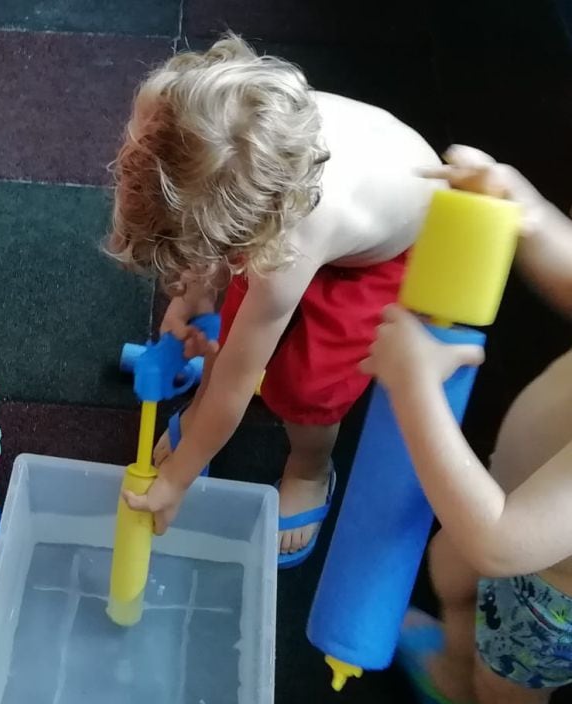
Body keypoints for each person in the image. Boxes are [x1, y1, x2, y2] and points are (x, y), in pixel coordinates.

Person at [109, 34, 443, 566]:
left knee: (309, 383)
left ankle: (310, 469)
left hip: (386, 254)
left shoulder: (292, 239)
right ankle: (200, 420)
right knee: (230, 325)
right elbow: (209, 213)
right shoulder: (243, 123)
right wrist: (196, 293)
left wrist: (176, 478)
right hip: (311, 204)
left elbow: (239, 380)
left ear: (250, 237)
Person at [365, 146, 572, 704]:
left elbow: (502, 540)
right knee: (452, 569)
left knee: (511, 700)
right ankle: (455, 678)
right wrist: (527, 213)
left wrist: (416, 383)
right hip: (515, 509)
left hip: (546, 594)